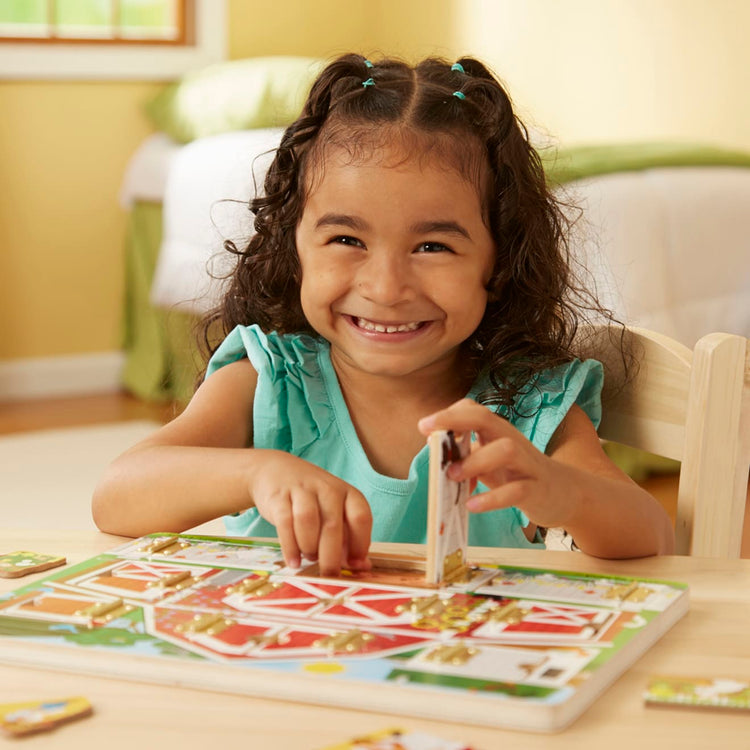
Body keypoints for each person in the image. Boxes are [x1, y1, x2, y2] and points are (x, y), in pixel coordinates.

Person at [92, 54, 674, 573]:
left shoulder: (526, 401)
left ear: (500, 264)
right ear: (294, 248)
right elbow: (115, 496)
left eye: (432, 247)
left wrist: (561, 492)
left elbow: (651, 535)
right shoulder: (269, 380)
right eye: (347, 239)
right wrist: (255, 472)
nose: (386, 286)